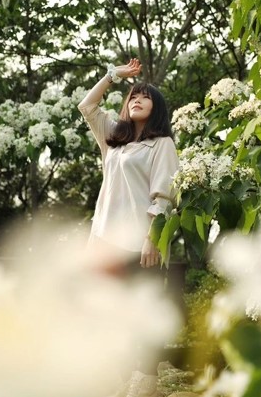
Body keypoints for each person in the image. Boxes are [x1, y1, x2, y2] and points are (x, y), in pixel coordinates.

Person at [78, 58, 179, 397]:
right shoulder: (114, 140)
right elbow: (87, 105)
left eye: (145, 96)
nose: (136, 99)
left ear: (156, 107)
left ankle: (146, 383)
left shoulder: (162, 144)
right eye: (133, 95)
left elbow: (162, 195)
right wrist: (113, 75)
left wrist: (153, 239)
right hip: (105, 240)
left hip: (139, 244)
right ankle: (118, 380)